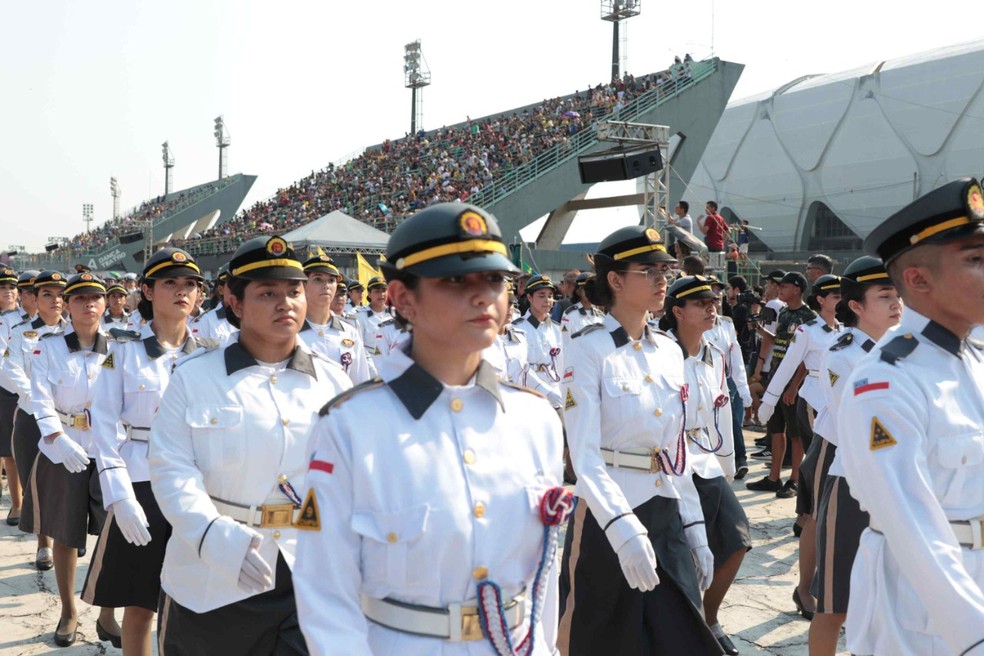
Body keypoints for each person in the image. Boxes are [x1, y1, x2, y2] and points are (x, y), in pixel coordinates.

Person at [294, 203, 566, 655]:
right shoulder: (351, 427)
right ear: (403, 298)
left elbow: (544, 580)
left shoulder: (534, 420)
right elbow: (325, 595)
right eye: (456, 281)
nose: (483, 297)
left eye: (494, 280)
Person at [150, 236, 352, 655]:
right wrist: (210, 534)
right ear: (235, 303)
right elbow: (171, 469)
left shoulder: (333, 382)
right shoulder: (194, 378)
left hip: (305, 574)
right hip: (212, 579)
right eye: (268, 293)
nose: (287, 303)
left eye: (294, 291)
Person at [839, 177, 984, 656]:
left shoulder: (974, 358)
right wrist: (975, 635)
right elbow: (912, 527)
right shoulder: (885, 382)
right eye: (976, 259)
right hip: (923, 612)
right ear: (918, 280)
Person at [560, 226, 722, 655]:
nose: (662, 278)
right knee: (609, 642)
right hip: (612, 515)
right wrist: (621, 527)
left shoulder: (669, 350)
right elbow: (585, 456)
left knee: (685, 640)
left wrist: (696, 530)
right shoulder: (587, 349)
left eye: (664, 269)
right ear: (615, 280)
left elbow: (675, 452)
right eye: (648, 270)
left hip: (665, 510)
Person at [82, 248, 204, 656]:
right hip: (141, 483)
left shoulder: (209, 355)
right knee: (140, 603)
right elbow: (103, 427)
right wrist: (119, 495)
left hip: (194, 483)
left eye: (190, 284)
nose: (181, 291)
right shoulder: (125, 350)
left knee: (193, 600)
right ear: (148, 291)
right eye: (170, 283)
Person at [808, 256, 902, 654]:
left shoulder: (908, 350)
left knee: (896, 604)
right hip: (854, 487)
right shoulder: (842, 356)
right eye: (885, 296)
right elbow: (860, 430)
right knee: (834, 605)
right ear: (857, 307)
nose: (897, 303)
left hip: (901, 488)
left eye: (898, 294)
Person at [21, 272, 120, 647]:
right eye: (80, 299)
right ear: (69, 303)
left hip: (109, 449)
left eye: (96, 298)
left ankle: (108, 612)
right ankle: (68, 610)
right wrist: (56, 437)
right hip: (62, 448)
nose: (89, 304)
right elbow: (40, 395)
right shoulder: (48, 347)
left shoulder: (121, 347)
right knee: (64, 534)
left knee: (116, 536)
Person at [661, 275, 750, 655]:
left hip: (705, 461)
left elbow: (721, 409)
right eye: (700, 303)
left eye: (713, 301)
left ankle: (708, 617)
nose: (712, 307)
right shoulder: (660, 353)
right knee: (680, 556)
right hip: (669, 465)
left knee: (737, 540)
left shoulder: (713, 352)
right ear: (678, 311)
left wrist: (727, 462)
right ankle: (686, 630)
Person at [759, 274, 843, 616]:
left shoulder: (841, 331)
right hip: (814, 403)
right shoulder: (809, 331)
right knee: (817, 487)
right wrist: (768, 401)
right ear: (820, 299)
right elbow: (787, 366)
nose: (840, 299)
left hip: (837, 409)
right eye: (835, 294)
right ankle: (806, 583)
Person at [2, 270, 68, 571]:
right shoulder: (21, 332)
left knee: (69, 483)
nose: (55, 300)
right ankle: (44, 543)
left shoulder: (79, 332)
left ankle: (68, 536)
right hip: (32, 416)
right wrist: (40, 398)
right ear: (34, 299)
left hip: (69, 420)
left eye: (59, 295)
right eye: (47, 295)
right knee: (35, 483)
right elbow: (11, 370)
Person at [746, 272, 815, 496]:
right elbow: (779, 341)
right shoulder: (784, 312)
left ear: (797, 289)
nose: (780, 289)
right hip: (775, 378)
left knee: (795, 434)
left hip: (793, 384)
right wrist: (760, 330)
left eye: (784, 286)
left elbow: (808, 356)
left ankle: (794, 479)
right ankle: (774, 477)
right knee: (775, 430)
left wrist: (794, 385)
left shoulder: (808, 317)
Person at [298, 254, 374, 384]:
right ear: (303, 285)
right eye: (318, 279)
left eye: (331, 280)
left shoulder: (349, 333)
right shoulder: (291, 333)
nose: (326, 285)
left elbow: (360, 383)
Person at [513, 274, 564, 410]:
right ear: (529, 298)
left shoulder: (555, 328)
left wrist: (562, 390)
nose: (547, 300)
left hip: (555, 389)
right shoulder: (517, 328)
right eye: (542, 296)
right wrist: (545, 391)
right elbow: (520, 366)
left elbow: (561, 363)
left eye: (550, 295)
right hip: (528, 391)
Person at [0, 267, 23, 527]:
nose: (7, 292)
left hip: (29, 391)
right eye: (3, 288)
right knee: (9, 451)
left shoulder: (26, 318)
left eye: (11, 288)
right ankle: (17, 505)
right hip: (6, 391)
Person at [560, 272, 603, 350]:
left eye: (594, 290)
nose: (592, 293)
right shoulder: (569, 315)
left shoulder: (601, 316)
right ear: (579, 291)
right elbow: (565, 344)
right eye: (588, 290)